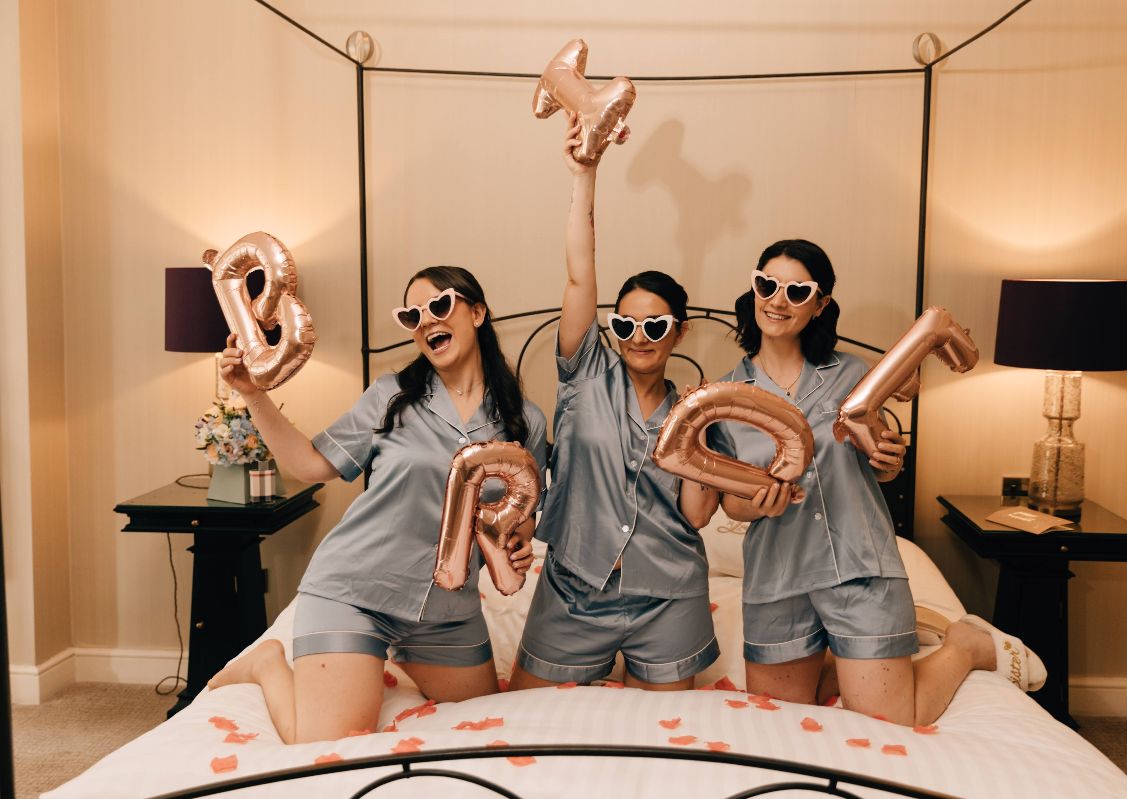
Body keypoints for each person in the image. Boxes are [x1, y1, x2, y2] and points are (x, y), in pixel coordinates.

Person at [208, 266, 547, 743]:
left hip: (447, 609)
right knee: (326, 742)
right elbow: (310, 465)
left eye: (440, 305)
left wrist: (519, 543)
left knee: (485, 728)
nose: (427, 321)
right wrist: (252, 392)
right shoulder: (392, 397)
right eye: (413, 316)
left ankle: (385, 660)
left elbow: (523, 512)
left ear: (477, 312)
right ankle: (266, 664)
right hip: (356, 590)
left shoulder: (524, 421)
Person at [711, 239, 1042, 726]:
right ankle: (837, 666)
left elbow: (882, 464)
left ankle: (966, 645)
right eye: (768, 285)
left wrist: (890, 458)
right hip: (777, 577)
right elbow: (731, 506)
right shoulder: (726, 397)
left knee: (891, 721)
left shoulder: (853, 374)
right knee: (778, 721)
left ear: (820, 304)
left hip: (860, 566)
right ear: (754, 288)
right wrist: (760, 503)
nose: (778, 301)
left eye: (797, 292)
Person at [508, 114, 720, 692]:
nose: (639, 337)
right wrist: (585, 174)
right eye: (625, 325)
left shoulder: (699, 410)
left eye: (657, 326)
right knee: (523, 725)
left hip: (669, 595)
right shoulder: (584, 374)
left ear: (680, 332)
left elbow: (697, 517)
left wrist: (695, 435)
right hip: (574, 588)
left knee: (665, 737)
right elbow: (580, 277)